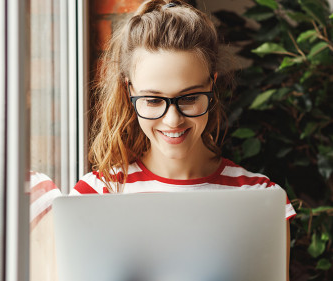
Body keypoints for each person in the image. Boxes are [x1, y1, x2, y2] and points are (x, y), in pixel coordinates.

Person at [71, 0, 296, 279]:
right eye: (153, 100)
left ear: (212, 85)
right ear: (129, 91)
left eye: (189, 98)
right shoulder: (95, 195)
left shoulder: (261, 198)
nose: (172, 120)